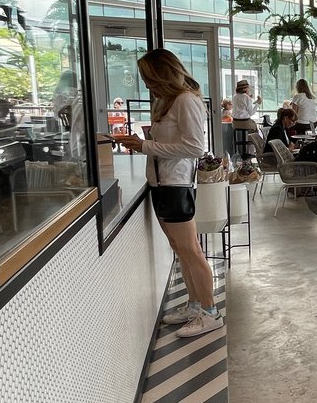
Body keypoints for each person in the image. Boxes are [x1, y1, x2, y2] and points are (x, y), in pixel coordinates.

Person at [110, 49, 220, 338]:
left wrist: (146, 146)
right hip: (162, 183)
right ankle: (195, 304)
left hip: (176, 183)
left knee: (190, 250)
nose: (146, 84)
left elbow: (195, 148)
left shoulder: (186, 100)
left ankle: (209, 312)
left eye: (149, 77)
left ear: (162, 74)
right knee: (179, 248)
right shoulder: (166, 102)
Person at [232, 78, 259, 159]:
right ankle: (250, 152)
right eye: (248, 88)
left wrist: (251, 100)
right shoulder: (247, 98)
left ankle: (241, 152)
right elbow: (251, 113)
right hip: (245, 122)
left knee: (251, 127)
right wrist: (257, 103)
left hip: (235, 123)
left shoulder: (234, 96)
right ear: (244, 89)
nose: (249, 89)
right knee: (255, 130)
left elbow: (242, 107)